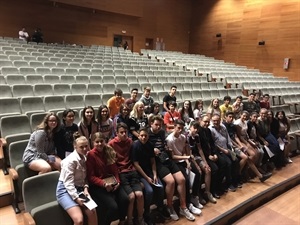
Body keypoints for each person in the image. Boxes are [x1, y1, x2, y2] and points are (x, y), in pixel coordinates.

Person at [148, 116, 195, 222]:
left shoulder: (161, 133)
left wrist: (166, 149)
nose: (158, 127)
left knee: (182, 180)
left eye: (160, 125)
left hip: (166, 158)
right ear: (151, 124)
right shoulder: (147, 134)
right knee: (171, 181)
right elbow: (143, 148)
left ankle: (183, 207)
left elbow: (164, 145)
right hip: (157, 162)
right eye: (156, 124)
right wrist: (152, 149)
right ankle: (170, 206)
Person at [86, 132, 128, 225]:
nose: (100, 144)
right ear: (93, 143)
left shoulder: (108, 151)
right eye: (97, 142)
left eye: (101, 141)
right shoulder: (91, 155)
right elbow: (91, 177)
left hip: (111, 182)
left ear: (105, 141)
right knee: (113, 207)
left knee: (125, 199)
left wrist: (118, 181)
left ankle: (122, 221)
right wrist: (104, 184)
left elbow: (115, 170)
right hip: (98, 186)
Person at [56, 134, 98, 225]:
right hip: (65, 190)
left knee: (92, 211)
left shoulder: (85, 157)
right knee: (79, 220)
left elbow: (85, 178)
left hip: (80, 188)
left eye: (86, 146)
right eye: (81, 147)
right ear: (75, 147)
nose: (84, 149)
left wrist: (86, 188)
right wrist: (76, 198)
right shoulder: (70, 161)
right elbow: (68, 183)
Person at [108, 123, 145, 225]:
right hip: (121, 173)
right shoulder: (111, 144)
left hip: (131, 171)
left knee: (140, 194)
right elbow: (110, 161)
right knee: (131, 197)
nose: (124, 134)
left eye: (126, 132)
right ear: (117, 133)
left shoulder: (130, 141)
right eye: (121, 132)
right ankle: (129, 221)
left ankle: (140, 219)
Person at [166, 120, 202, 217]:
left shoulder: (183, 137)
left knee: (198, 173)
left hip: (183, 160)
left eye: (182, 128)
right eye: (178, 128)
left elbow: (184, 151)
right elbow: (173, 156)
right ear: (174, 127)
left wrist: (187, 162)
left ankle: (194, 196)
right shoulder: (169, 139)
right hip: (176, 162)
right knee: (185, 179)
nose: (180, 130)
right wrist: (186, 158)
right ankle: (187, 204)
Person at [132, 128, 167, 225]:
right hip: (140, 173)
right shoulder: (135, 146)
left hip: (149, 171)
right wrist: (147, 178)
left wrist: (155, 174)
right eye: (141, 135)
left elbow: (152, 161)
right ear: (138, 136)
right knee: (149, 191)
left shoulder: (150, 145)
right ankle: (146, 213)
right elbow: (136, 164)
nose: (143, 137)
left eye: (145, 136)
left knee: (160, 188)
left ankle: (160, 209)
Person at [187, 121, 217, 204]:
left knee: (208, 169)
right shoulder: (187, 136)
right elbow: (189, 153)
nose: (196, 130)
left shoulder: (196, 136)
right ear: (190, 127)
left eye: (197, 128)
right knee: (199, 172)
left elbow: (200, 150)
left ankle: (207, 192)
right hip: (188, 158)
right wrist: (196, 165)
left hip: (196, 157)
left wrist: (205, 162)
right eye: (194, 128)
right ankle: (197, 195)